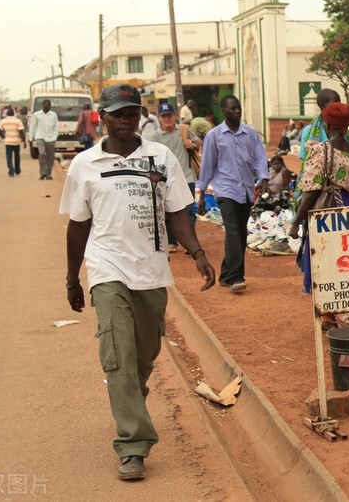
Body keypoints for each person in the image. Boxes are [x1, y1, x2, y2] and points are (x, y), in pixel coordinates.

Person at [60, 83, 215, 482]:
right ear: (103, 117)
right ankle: (133, 445)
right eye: (117, 113)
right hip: (106, 268)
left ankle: (130, 400)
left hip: (151, 271)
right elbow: (79, 226)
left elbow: (178, 211)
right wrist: (72, 279)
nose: (126, 119)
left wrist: (197, 253)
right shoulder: (85, 164)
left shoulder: (160, 157)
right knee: (118, 356)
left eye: (132, 112)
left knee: (143, 356)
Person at [289, 102, 349, 317]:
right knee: (348, 264)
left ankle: (328, 317)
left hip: (326, 216)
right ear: (346, 125)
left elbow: (310, 192)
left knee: (324, 266)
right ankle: (348, 311)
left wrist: (295, 223)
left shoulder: (321, 152)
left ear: (326, 124)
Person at [195, 95, 269, 293]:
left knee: (241, 232)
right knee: (233, 230)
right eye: (232, 108)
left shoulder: (251, 134)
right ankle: (237, 277)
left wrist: (263, 178)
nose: (237, 111)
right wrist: (201, 194)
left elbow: (260, 158)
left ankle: (226, 273)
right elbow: (207, 166)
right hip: (225, 189)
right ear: (223, 111)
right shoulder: (214, 135)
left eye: (238, 108)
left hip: (245, 189)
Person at [144, 102, 202, 253]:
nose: (166, 119)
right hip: (165, 179)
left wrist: (192, 145)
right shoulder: (153, 137)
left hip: (186, 176)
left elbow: (198, 142)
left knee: (189, 210)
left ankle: (190, 244)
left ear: (175, 116)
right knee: (167, 211)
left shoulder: (184, 130)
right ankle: (171, 241)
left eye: (169, 115)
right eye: (163, 116)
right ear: (159, 118)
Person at [29, 99, 59, 180]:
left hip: (51, 138)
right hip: (40, 136)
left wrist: (55, 136)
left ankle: (48, 173)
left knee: (51, 156)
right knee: (42, 153)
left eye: (49, 105)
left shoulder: (53, 115)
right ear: (43, 105)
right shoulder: (37, 115)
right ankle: (42, 173)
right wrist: (30, 138)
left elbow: (56, 126)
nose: (48, 106)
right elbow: (33, 126)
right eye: (46, 105)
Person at [0, 107, 26, 176]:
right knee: (17, 156)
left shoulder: (3, 121)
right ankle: (17, 169)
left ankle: (11, 170)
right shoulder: (18, 121)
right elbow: (21, 131)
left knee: (9, 157)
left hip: (8, 142)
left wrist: (4, 136)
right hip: (16, 141)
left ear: (7, 114)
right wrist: (24, 141)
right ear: (13, 113)